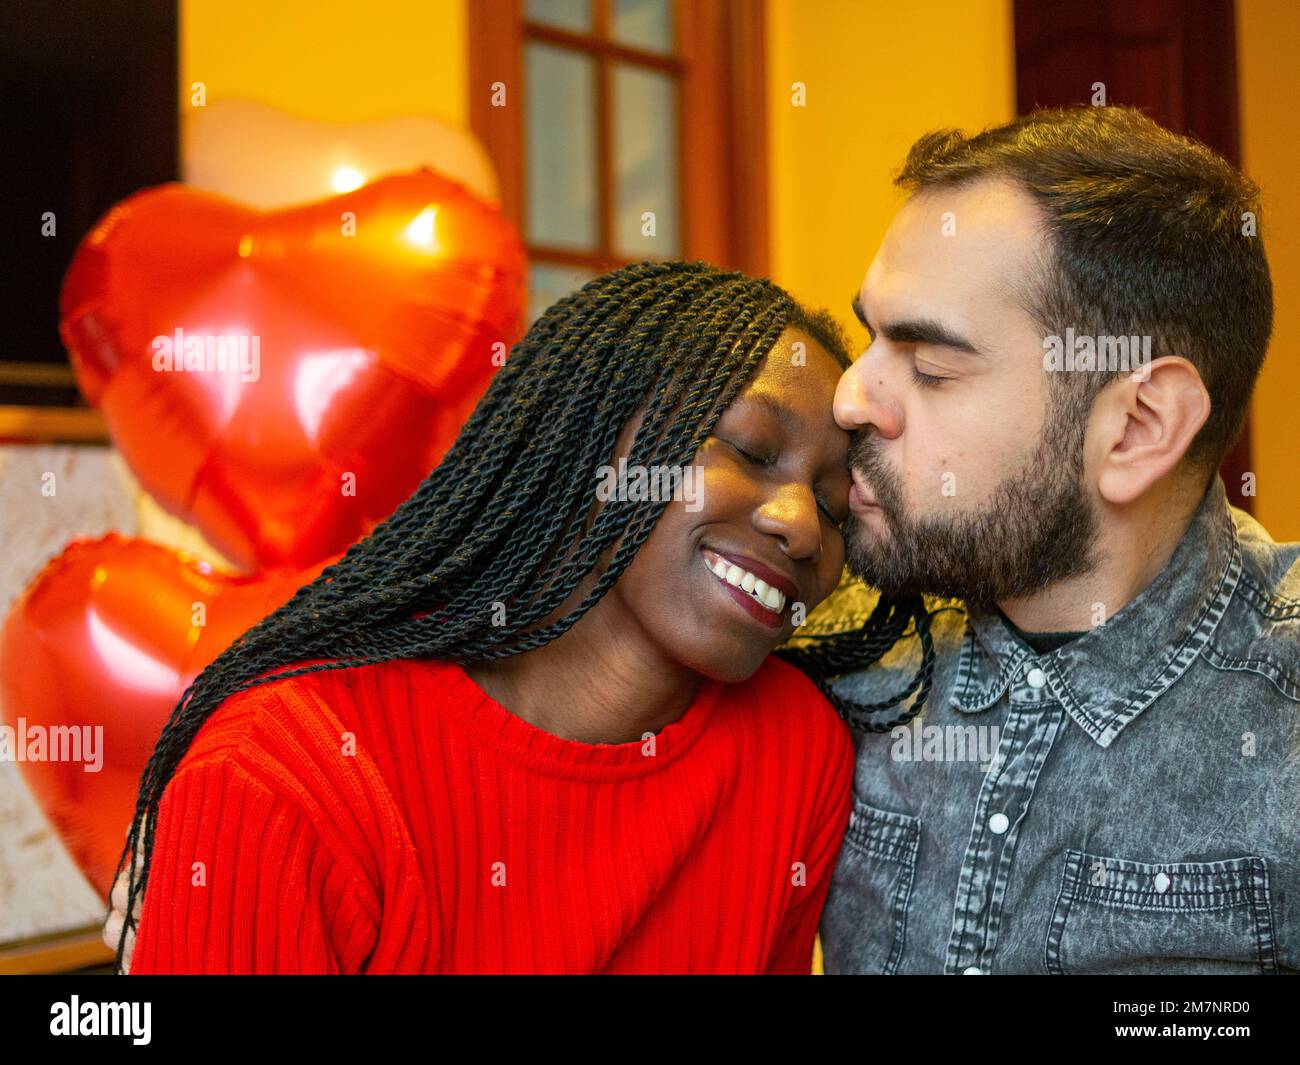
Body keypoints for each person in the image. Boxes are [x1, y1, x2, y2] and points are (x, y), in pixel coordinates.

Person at [105, 260, 930, 974]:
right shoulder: (284, 774)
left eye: (834, 507)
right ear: (586, 436)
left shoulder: (794, 749)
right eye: (749, 449)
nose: (801, 523)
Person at [795, 105, 1298, 974]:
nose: (850, 399)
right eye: (872, 336)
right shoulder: (824, 636)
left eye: (931, 367)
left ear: (1139, 426)